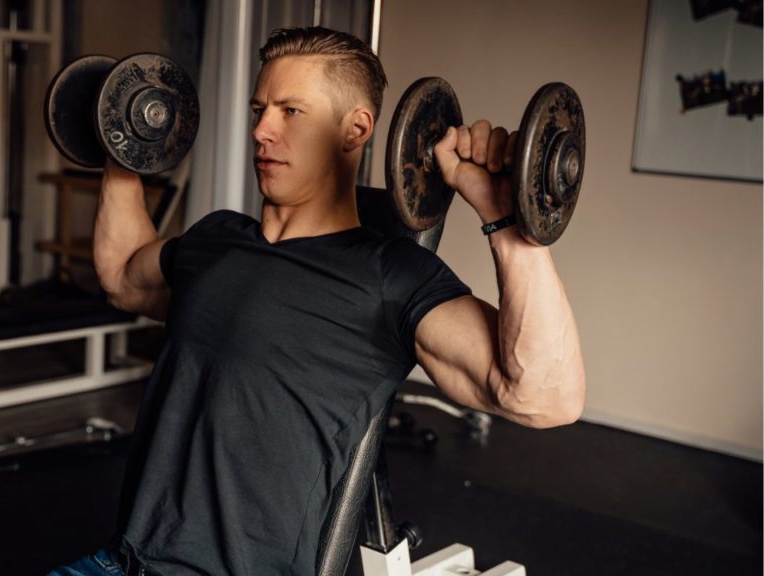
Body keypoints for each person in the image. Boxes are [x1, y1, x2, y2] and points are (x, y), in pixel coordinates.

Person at [51, 26, 584, 576]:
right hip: (117, 561)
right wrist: (123, 143)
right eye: (259, 109)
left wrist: (506, 219)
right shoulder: (215, 238)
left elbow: (545, 398)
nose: (261, 130)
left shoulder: (388, 276)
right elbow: (122, 274)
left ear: (355, 129)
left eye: (290, 111)